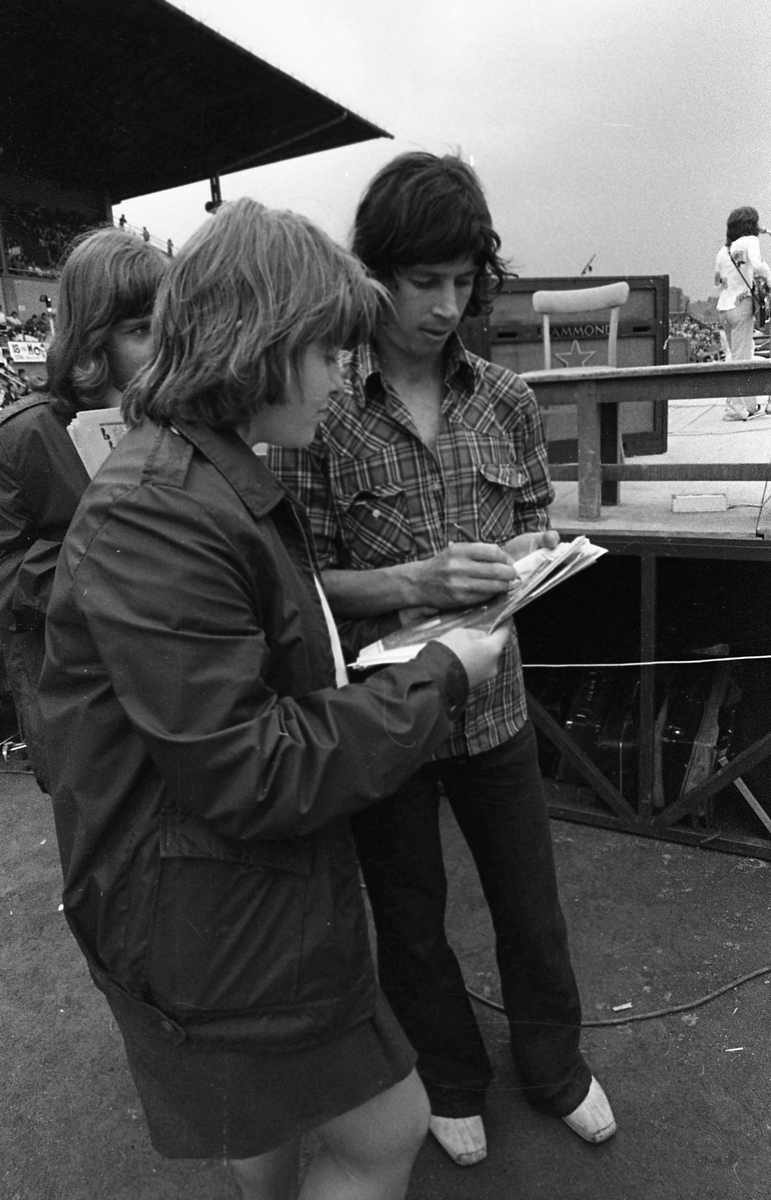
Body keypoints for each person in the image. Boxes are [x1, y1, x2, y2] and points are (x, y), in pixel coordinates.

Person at [39, 197, 510, 1200]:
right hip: (207, 906)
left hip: (218, 892)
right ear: (259, 345)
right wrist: (437, 673)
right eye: (329, 352)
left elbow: (261, 660)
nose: (343, 377)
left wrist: (402, 626)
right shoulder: (164, 510)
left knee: (260, 1131)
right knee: (387, 1129)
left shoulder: (201, 475)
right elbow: (253, 766)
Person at [268, 152, 616, 1167]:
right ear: (371, 272)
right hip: (384, 715)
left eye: (462, 282)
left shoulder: (505, 397)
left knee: (530, 905)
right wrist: (421, 582)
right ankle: (449, 1077)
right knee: (410, 918)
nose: (443, 305)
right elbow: (299, 588)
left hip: (496, 705)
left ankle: (555, 1066)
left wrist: (524, 562)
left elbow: (537, 527)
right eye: (423, 281)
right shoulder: (321, 405)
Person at [0, 227, 166, 791]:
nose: (162, 349)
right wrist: (94, 572)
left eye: (170, 328)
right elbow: (4, 571)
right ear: (92, 336)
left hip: (173, 686)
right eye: (142, 330)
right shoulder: (25, 435)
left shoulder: (180, 419)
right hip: (82, 700)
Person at [714, 206, 771, 420]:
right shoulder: (750, 242)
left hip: (724, 308)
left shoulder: (723, 251)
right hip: (741, 305)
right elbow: (758, 265)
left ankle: (749, 403)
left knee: (738, 354)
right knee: (741, 360)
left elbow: (717, 281)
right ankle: (735, 409)